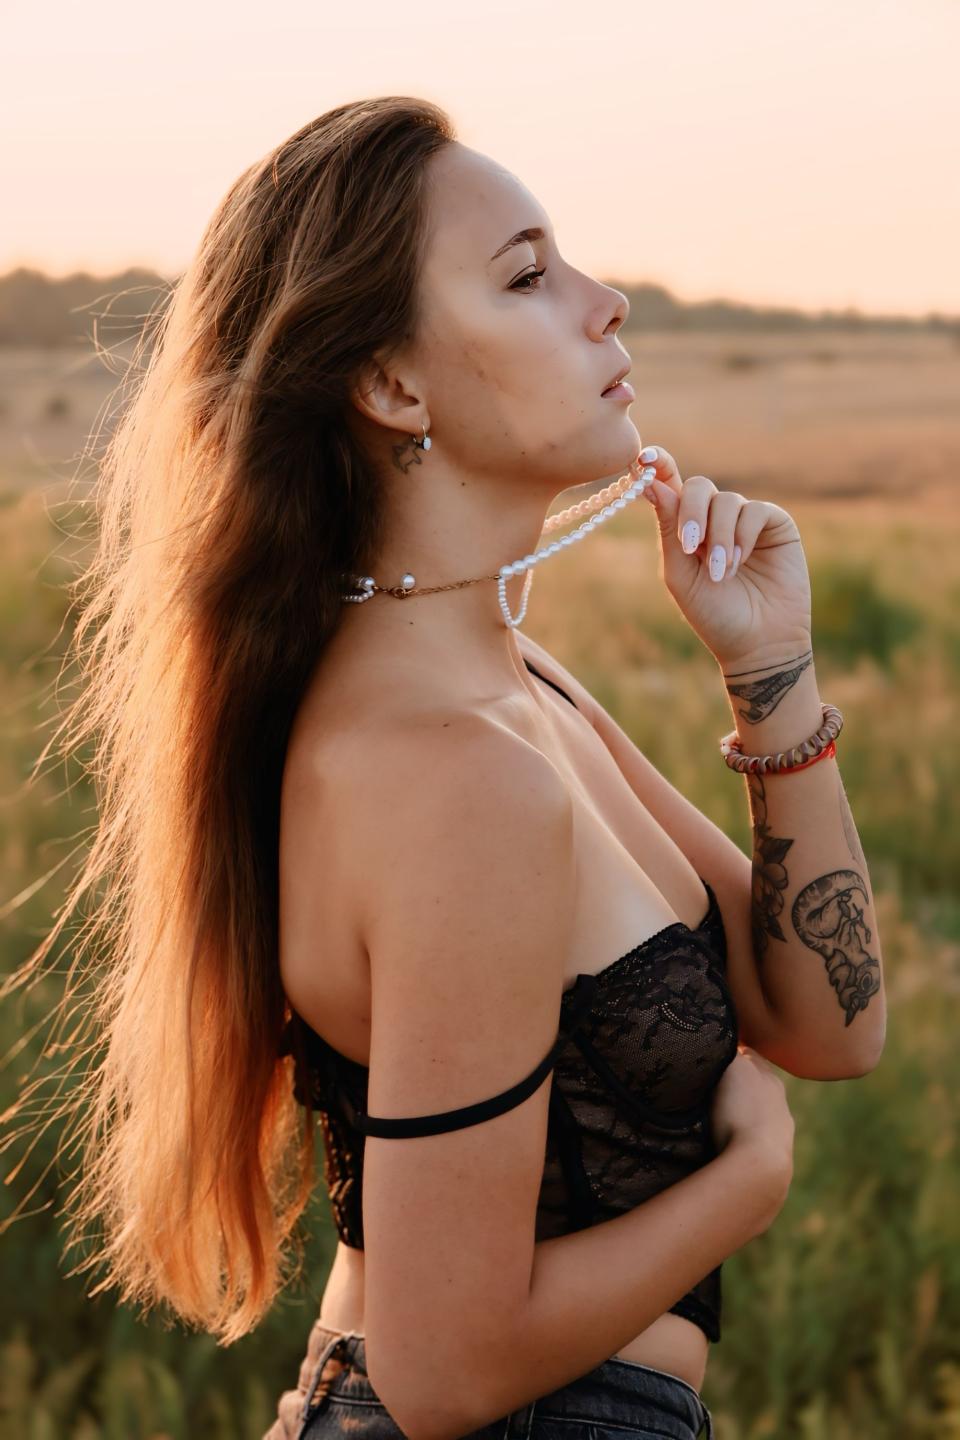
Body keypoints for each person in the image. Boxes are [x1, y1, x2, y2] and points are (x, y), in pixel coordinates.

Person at [3, 95, 885, 1440]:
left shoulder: (518, 686)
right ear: (393, 387)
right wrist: (743, 1185)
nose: (607, 302)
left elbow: (829, 1023)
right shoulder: (453, 772)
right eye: (527, 277)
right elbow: (444, 1371)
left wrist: (771, 674)